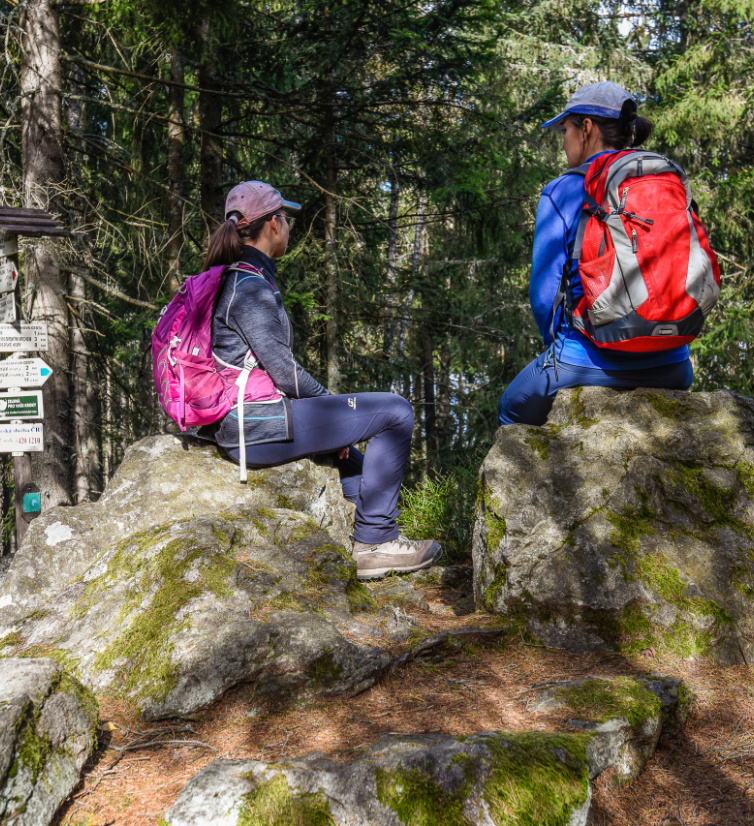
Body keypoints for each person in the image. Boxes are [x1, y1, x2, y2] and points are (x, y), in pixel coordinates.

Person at [200, 180, 441, 579]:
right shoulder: (248, 286)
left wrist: (338, 429)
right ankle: (375, 544)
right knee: (395, 411)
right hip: (253, 425)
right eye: (286, 219)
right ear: (273, 224)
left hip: (247, 421)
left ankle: (364, 534)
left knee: (356, 462)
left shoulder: (236, 277)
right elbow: (286, 374)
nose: (288, 227)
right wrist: (335, 413)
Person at [498, 82, 694, 427]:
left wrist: (562, 350)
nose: (563, 141)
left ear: (586, 128)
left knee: (511, 408)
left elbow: (544, 298)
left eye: (565, 130)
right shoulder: (662, 180)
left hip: (585, 361)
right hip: (672, 363)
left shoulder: (562, 190)